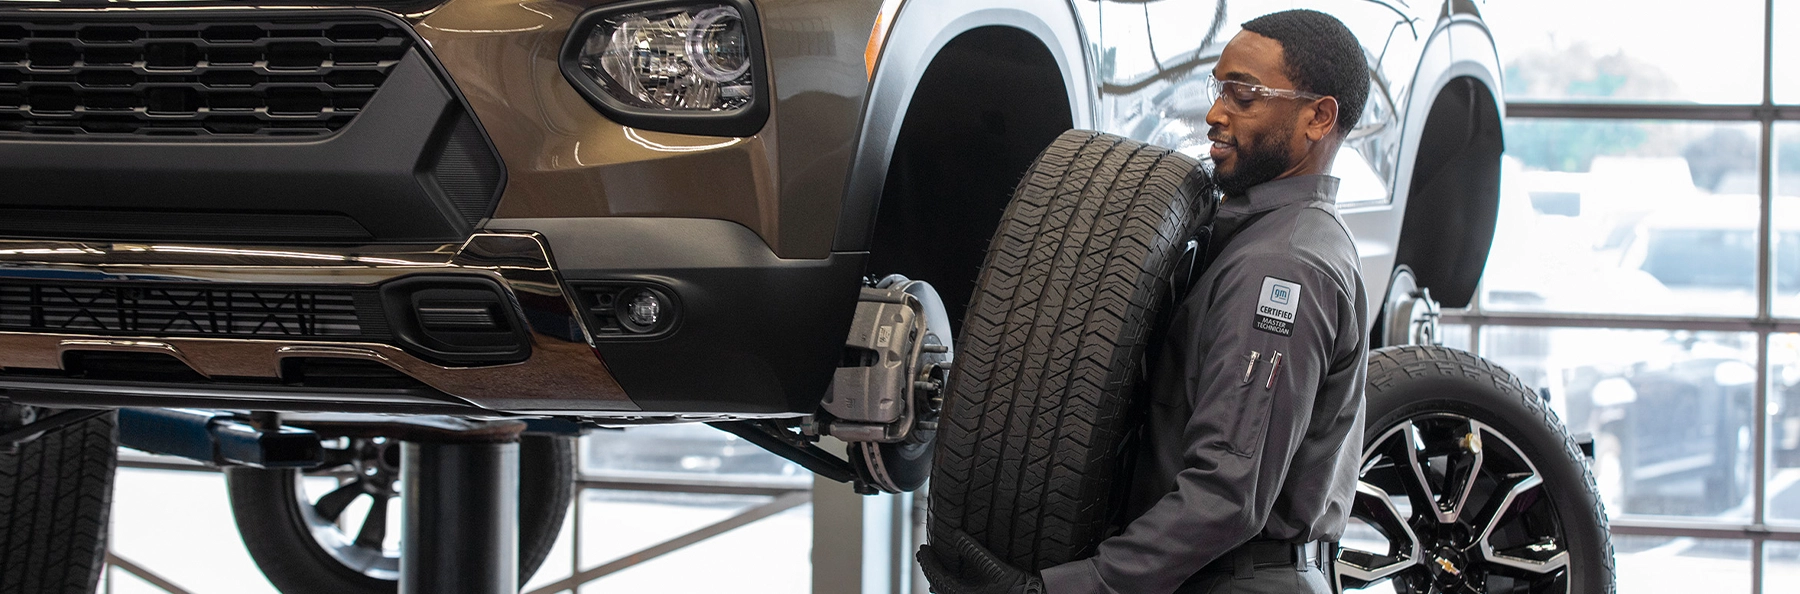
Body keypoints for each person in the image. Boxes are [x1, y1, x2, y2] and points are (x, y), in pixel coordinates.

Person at [918, 9, 1372, 594]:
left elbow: (1227, 494)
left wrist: (1063, 591)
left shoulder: (1282, 266)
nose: (1215, 113)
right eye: (1218, 88)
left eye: (1244, 94)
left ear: (1318, 116)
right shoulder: (1268, 241)